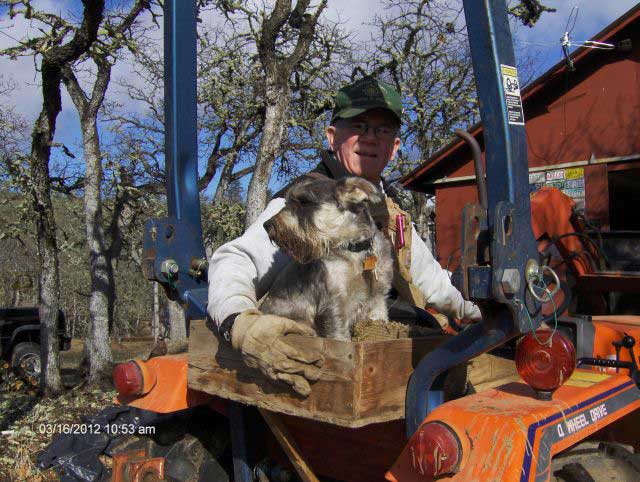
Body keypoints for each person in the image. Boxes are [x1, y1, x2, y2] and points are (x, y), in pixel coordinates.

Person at [207, 77, 481, 396]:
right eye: (359, 126)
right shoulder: (302, 207)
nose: (370, 138)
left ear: (394, 146)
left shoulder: (390, 212)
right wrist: (241, 324)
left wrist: (477, 313)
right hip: (322, 365)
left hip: (378, 357)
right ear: (333, 136)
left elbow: (433, 284)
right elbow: (235, 260)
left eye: (382, 130)